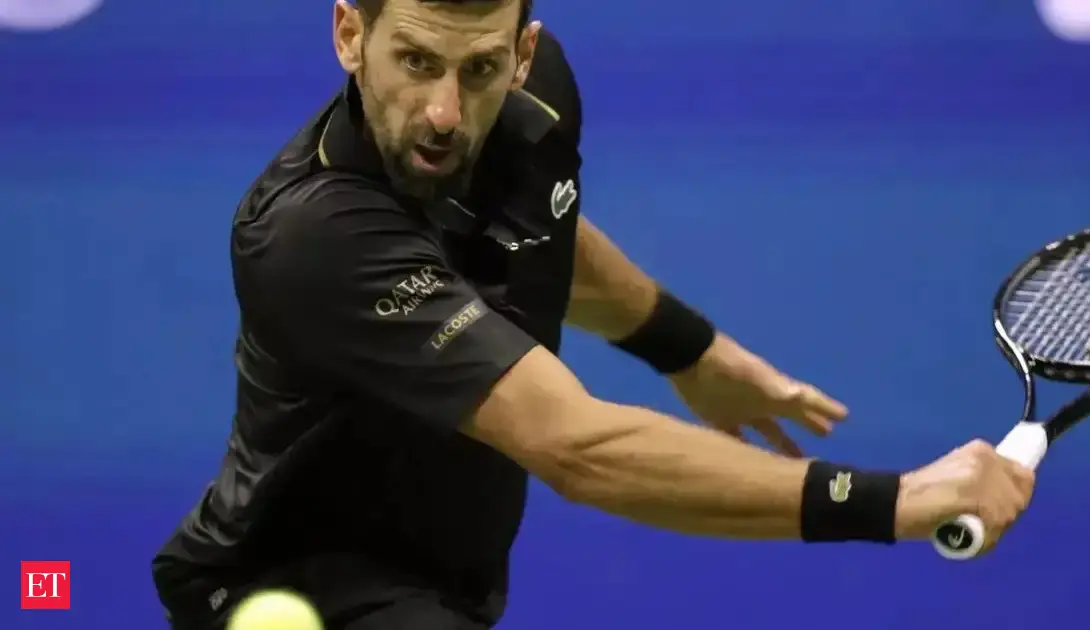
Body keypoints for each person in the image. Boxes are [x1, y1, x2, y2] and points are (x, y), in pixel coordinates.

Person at [151, 0, 1036, 628]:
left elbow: (540, 236)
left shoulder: (536, 101)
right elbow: (578, 448)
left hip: (443, 574)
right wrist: (890, 501)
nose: (444, 113)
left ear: (523, 54)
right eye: (415, 62)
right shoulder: (314, 236)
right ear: (350, 34)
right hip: (302, 590)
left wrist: (685, 348)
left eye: (479, 69)